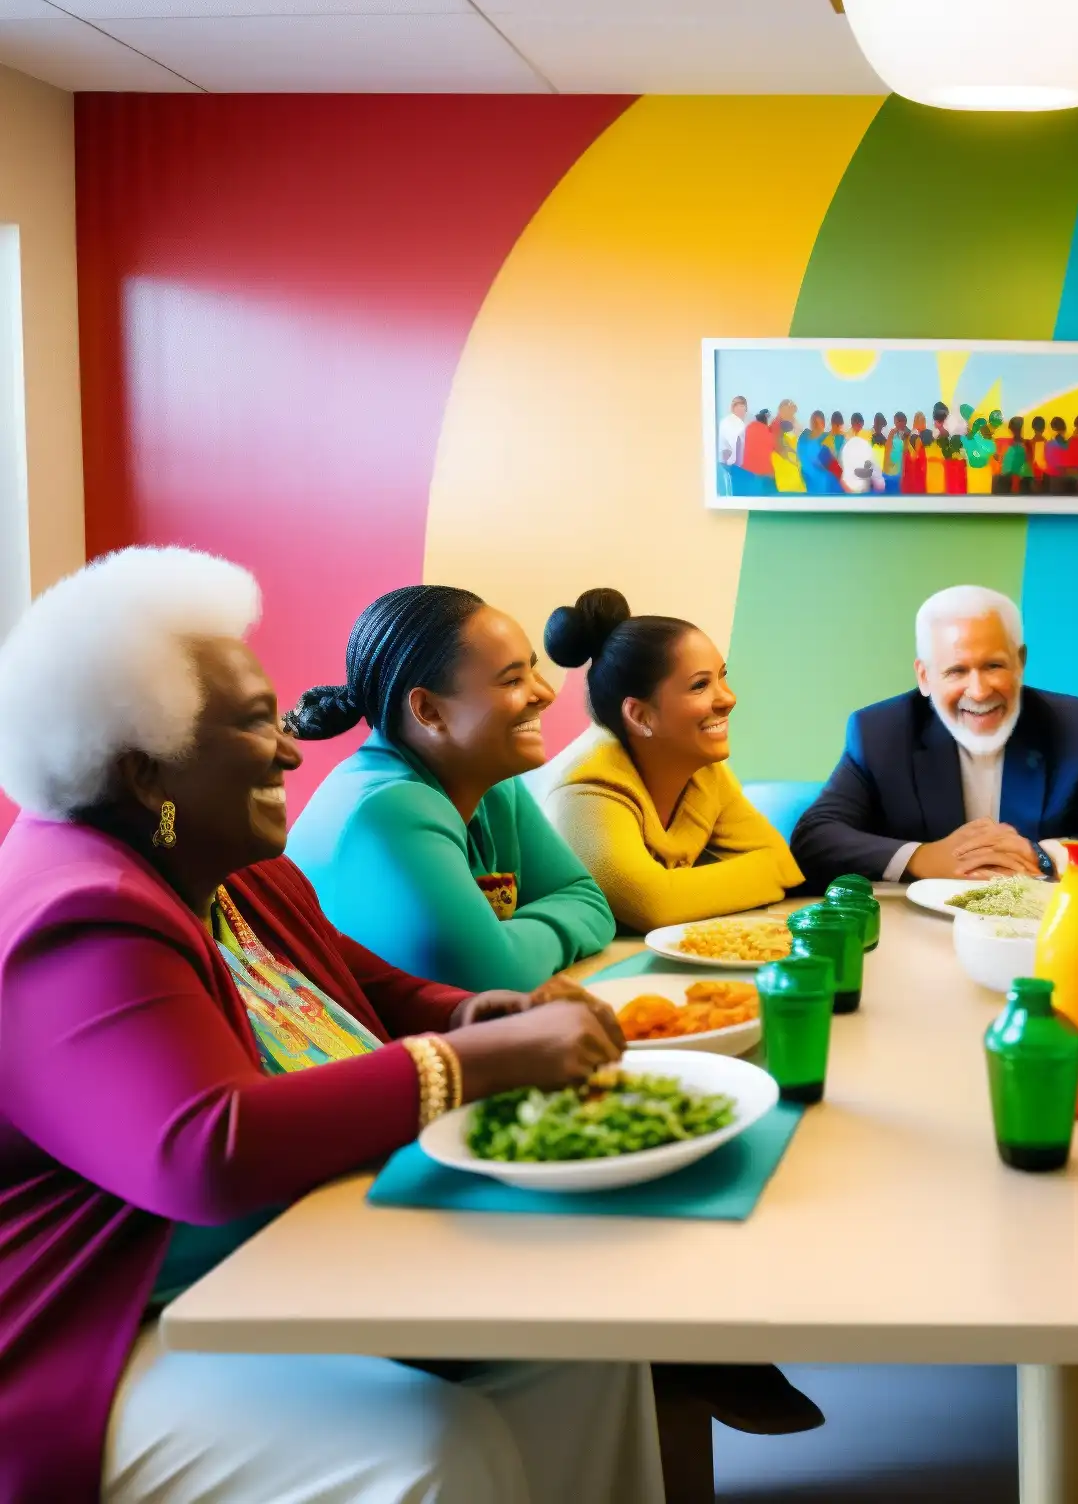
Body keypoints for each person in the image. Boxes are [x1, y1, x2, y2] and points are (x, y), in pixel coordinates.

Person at [0, 547, 660, 1503]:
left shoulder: (229, 864)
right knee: (431, 1450)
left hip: (285, 1261)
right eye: (255, 723)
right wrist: (467, 1060)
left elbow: (365, 984)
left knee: (580, 1344)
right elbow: (203, 1148)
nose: (290, 748)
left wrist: (475, 1008)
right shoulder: (76, 915)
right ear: (149, 775)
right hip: (104, 1323)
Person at [285, 585, 616, 992]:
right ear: (428, 710)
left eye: (532, 670)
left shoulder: (492, 783)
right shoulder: (389, 807)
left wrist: (508, 943)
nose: (545, 693)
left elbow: (588, 900)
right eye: (512, 679)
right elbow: (493, 976)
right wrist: (508, 946)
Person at [791, 585, 1078, 888]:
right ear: (924, 677)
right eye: (956, 671)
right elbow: (816, 838)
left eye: (993, 665)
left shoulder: (1076, 727)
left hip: (1039, 931)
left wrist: (1040, 856)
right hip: (918, 930)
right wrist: (922, 857)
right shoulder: (880, 732)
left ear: (1020, 662)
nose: (979, 691)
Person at [531, 589, 802, 932]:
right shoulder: (585, 790)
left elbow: (782, 864)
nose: (728, 698)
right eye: (700, 685)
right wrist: (755, 875)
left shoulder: (704, 771)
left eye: (722, 676)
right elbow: (655, 906)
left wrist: (687, 891)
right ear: (640, 715)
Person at [717, 393, 750, 492]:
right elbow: (737, 445)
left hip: (725, 465)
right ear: (733, 408)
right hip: (733, 467)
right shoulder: (736, 423)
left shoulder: (726, 421)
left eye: (743, 407)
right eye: (739, 407)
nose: (742, 410)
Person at [839, 412, 878, 494]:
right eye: (854, 423)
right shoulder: (848, 435)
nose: (856, 425)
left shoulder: (867, 435)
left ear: (862, 423)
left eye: (858, 423)